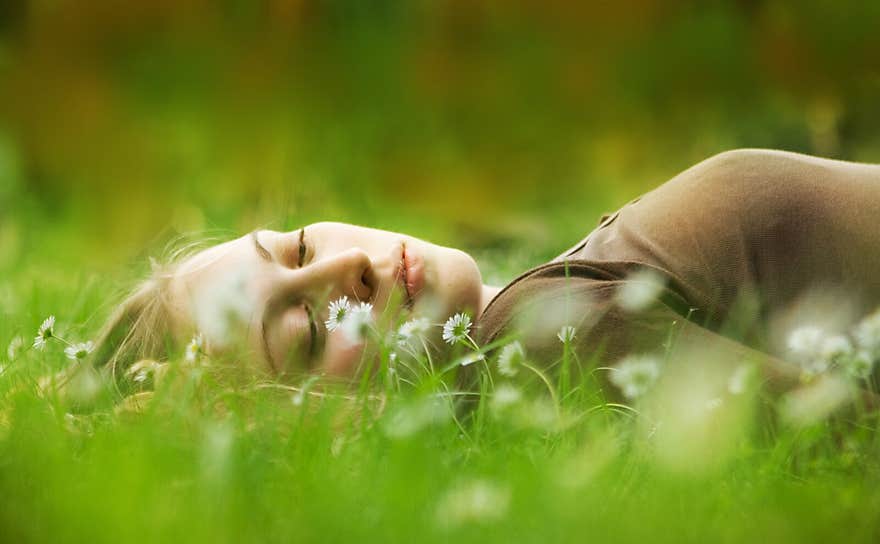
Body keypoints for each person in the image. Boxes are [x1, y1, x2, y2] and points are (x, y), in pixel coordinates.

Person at [90, 149, 880, 399]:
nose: (349, 269)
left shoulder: (536, 317)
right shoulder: (542, 348)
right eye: (305, 330)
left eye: (297, 248)